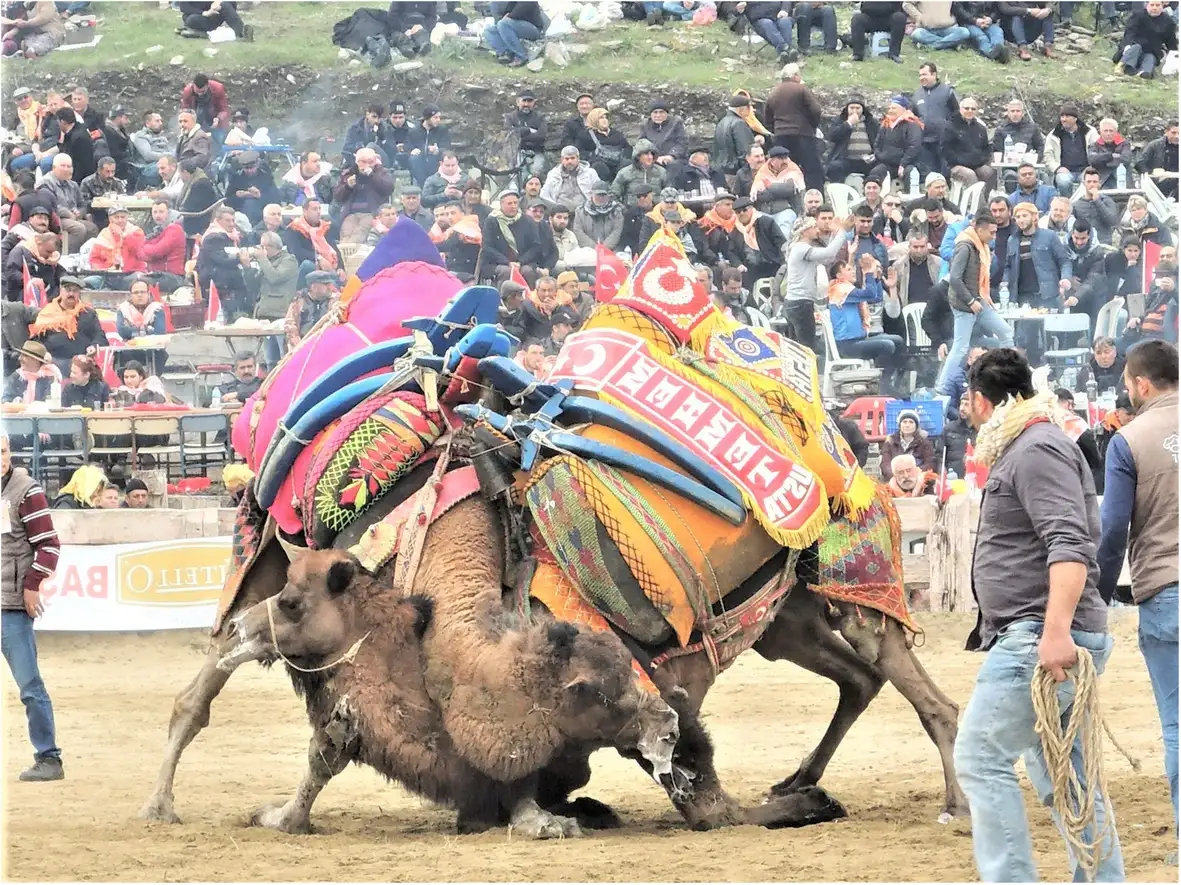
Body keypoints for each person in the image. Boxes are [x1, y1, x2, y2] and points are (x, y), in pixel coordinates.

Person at [953, 347, 1124, 883]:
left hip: (1038, 635)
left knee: (981, 757)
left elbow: (1069, 543)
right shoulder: (1035, 442)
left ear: (981, 400)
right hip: (1044, 630)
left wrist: (1054, 632)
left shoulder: (1034, 449)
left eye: (966, 398)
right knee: (1066, 772)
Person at [1096, 340, 1178, 836]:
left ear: (1140, 385)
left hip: (1167, 586)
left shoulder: (1129, 440)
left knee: (1177, 723)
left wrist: (1098, 593)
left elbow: (1112, 531)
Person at [1, 433, 63, 782]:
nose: (2, 458)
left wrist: (31, 586)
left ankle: (49, 757)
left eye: (4, 451)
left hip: (10, 605)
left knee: (29, 686)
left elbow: (49, 546)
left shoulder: (27, 491)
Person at [936, 213, 1012, 395]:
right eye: (992, 232)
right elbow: (955, 278)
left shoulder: (982, 246)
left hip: (980, 299)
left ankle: (1008, 375)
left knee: (1006, 332)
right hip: (965, 303)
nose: (994, 236)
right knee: (961, 347)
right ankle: (942, 386)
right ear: (979, 230)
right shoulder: (964, 246)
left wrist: (981, 299)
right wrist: (970, 301)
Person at [781, 210, 851, 353]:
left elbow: (827, 259)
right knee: (806, 347)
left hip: (794, 303)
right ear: (805, 231)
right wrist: (842, 232)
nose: (816, 229)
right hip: (800, 303)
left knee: (798, 348)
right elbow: (829, 253)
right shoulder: (801, 248)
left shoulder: (799, 248)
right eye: (813, 227)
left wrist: (834, 234)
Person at [763, 63, 823, 191]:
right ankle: (816, 199)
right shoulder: (801, 89)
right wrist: (813, 126)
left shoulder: (774, 92)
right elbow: (816, 110)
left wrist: (777, 130)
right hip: (803, 134)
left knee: (785, 169)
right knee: (812, 171)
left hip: (781, 137)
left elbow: (767, 119)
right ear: (795, 76)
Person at [27, 277, 104, 375]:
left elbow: (99, 336)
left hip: (82, 364)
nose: (71, 294)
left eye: (75, 291)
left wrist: (94, 346)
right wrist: (43, 352)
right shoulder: (46, 313)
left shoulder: (88, 313)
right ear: (60, 290)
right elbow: (35, 340)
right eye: (68, 290)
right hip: (53, 363)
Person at [37, 154, 94, 253]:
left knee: (92, 228)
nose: (66, 169)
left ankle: (84, 256)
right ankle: (66, 256)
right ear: (54, 167)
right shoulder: (46, 182)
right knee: (79, 229)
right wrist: (68, 213)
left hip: (74, 218)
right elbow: (49, 205)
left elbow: (82, 204)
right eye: (63, 166)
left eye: (69, 166)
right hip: (55, 218)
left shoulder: (73, 184)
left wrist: (79, 213)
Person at [942, 97, 996, 195]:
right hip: (955, 166)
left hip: (976, 164)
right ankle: (976, 205)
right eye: (966, 108)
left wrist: (981, 160)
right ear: (960, 109)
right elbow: (946, 151)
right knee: (970, 175)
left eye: (973, 109)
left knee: (990, 173)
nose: (969, 111)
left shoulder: (981, 128)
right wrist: (964, 161)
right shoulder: (950, 126)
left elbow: (986, 149)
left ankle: (984, 198)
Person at [825, 94, 879, 188]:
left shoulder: (871, 122)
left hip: (867, 161)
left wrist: (875, 155)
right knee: (834, 167)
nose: (855, 111)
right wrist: (849, 123)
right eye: (852, 108)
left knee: (880, 169)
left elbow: (879, 140)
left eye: (858, 108)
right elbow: (832, 136)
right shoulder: (839, 120)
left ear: (863, 109)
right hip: (846, 159)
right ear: (847, 108)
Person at [1114, 0, 1177, 79]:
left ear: (1162, 6)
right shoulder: (1137, 16)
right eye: (1152, 5)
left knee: (1150, 58)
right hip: (1133, 47)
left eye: (1157, 5)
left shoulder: (1168, 21)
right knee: (1136, 48)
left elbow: (1171, 41)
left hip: (1152, 51)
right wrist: (1127, 46)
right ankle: (1123, 66)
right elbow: (1129, 34)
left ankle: (1143, 73)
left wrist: (1174, 54)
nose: (1154, 8)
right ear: (1147, 5)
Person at [1044, 105, 1097, 197]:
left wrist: (1091, 168)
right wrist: (1057, 168)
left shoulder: (1090, 132)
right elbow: (1048, 155)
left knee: (1089, 182)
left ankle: (1084, 205)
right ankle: (1067, 204)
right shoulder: (1053, 135)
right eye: (1062, 116)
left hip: (1086, 170)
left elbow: (1098, 150)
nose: (1064, 119)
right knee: (1064, 182)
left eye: (1067, 116)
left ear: (1075, 118)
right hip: (1064, 171)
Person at [870, 96, 923, 187]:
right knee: (875, 172)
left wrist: (903, 164)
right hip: (887, 163)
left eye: (894, 108)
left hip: (907, 164)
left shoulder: (912, 124)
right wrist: (881, 156)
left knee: (911, 174)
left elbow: (914, 146)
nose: (890, 110)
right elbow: (877, 145)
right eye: (889, 108)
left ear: (903, 109)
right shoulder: (885, 125)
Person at [483, 0, 545, 68]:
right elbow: (507, 12)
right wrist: (504, 17)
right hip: (516, 25)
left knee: (503, 24)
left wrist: (507, 17)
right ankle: (507, 53)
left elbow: (519, 12)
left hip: (533, 28)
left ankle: (521, 56)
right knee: (489, 31)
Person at [285, 271, 338, 349]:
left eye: (330, 284)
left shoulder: (334, 301)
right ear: (313, 287)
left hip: (328, 345)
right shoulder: (299, 302)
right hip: (303, 345)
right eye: (326, 284)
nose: (330, 287)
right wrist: (298, 344)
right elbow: (290, 324)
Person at [1072, 167, 1120, 247]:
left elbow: (1111, 221)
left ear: (1099, 183)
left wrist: (1097, 201)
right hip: (1084, 245)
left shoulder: (1108, 201)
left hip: (1104, 243)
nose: (1092, 184)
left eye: (1094, 182)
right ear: (1084, 183)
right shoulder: (1076, 205)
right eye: (1089, 182)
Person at [1136, 123, 1179, 201]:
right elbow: (1140, 164)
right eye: (1173, 133)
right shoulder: (1155, 145)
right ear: (1166, 132)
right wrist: (1152, 174)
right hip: (1157, 185)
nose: (1177, 136)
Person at [1087, 118, 1132, 190]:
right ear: (1100, 132)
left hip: (1122, 180)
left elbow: (1126, 159)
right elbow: (1092, 160)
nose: (1108, 133)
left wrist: (1103, 163)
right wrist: (1110, 156)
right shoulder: (1094, 145)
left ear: (1116, 132)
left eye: (1111, 131)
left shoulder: (1124, 144)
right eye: (1105, 131)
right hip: (1103, 181)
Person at [176, 2, 252, 40]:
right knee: (191, 19)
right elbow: (184, 7)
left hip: (215, 13)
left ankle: (241, 32)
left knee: (228, 3)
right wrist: (205, 13)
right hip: (199, 16)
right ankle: (203, 33)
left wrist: (217, 2)